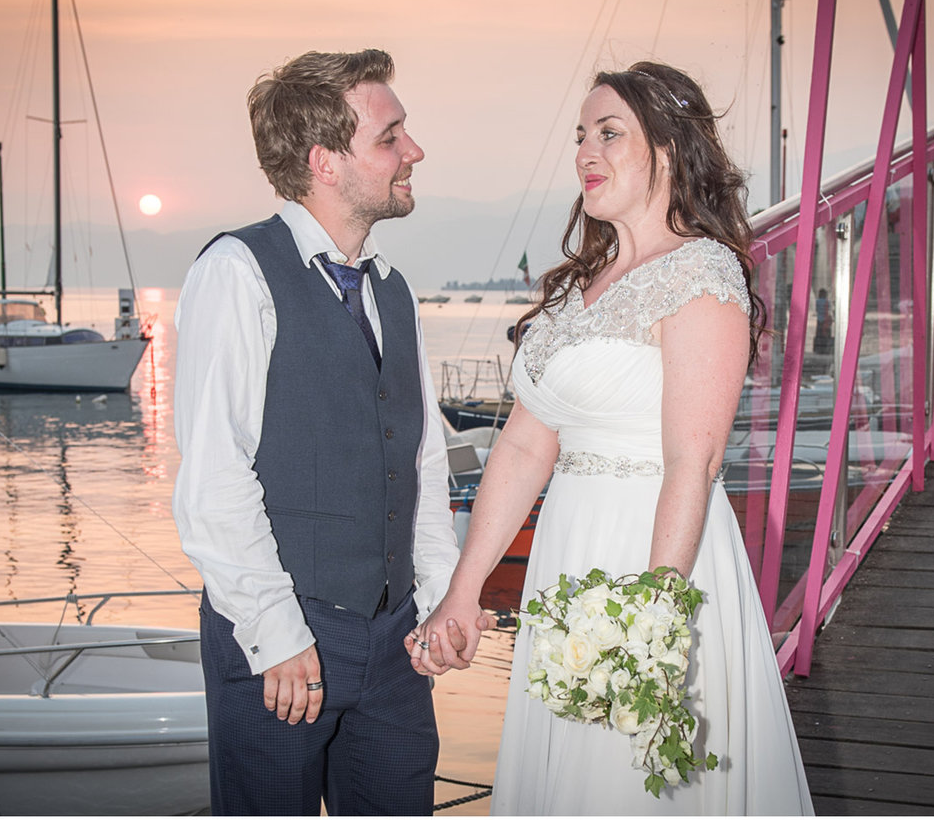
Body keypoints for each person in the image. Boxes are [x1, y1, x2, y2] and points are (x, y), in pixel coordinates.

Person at [411, 62, 813, 814]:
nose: (585, 153)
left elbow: (693, 462)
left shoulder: (702, 275)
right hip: (569, 549)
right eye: (580, 136)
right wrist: (462, 593)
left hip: (653, 556)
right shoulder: (574, 290)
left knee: (637, 784)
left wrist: (653, 617)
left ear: (665, 150)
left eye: (608, 133)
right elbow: (526, 447)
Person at [171, 48, 460, 815]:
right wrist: (276, 631)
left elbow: (422, 460)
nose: (414, 151)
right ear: (325, 161)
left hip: (394, 645)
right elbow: (211, 475)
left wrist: (437, 597)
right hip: (284, 641)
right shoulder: (237, 271)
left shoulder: (392, 291)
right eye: (390, 137)